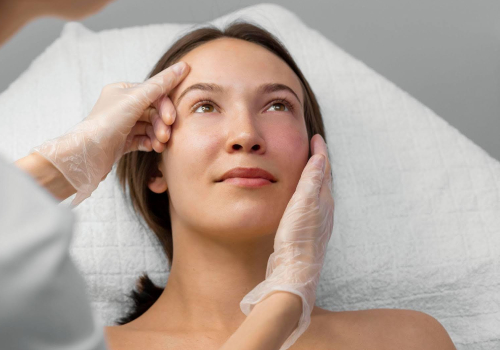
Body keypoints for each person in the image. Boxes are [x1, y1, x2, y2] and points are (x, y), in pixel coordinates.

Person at [0, 1, 335, 349]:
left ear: (315, 157)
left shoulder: (394, 334)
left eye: (277, 105)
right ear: (154, 168)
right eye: (204, 106)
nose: (246, 135)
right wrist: (285, 296)